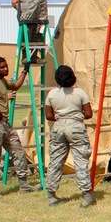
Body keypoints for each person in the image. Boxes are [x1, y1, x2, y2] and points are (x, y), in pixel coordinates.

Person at [0, 57, 41, 199]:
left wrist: (25, 70)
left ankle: (24, 184)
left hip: (5, 124)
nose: (6, 69)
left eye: (6, 66)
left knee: (18, 152)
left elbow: (15, 86)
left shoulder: (3, 81)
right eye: (2, 67)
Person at [44, 65, 95, 208]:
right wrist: (75, 116)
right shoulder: (80, 93)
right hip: (76, 127)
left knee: (55, 161)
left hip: (58, 127)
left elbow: (48, 115)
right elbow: (89, 114)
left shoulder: (52, 94)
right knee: (80, 161)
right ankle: (86, 196)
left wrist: (62, 118)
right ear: (73, 77)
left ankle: (51, 195)